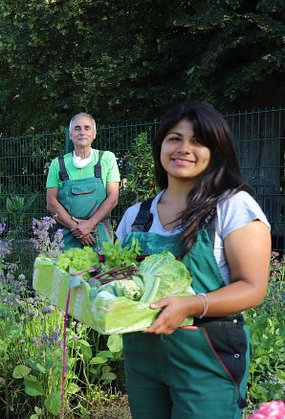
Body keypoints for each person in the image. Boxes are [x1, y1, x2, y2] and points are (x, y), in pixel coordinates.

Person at [115, 101, 271, 418]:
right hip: (142, 356)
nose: (184, 148)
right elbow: (119, 275)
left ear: (215, 150)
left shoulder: (233, 207)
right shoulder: (136, 216)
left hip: (207, 355)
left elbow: (253, 287)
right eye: (175, 138)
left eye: (198, 141)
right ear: (160, 144)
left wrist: (190, 305)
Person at [46, 113, 120, 249]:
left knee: (102, 269)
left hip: (100, 234)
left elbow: (113, 198)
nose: (82, 132)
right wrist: (76, 228)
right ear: (70, 135)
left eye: (87, 128)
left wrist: (90, 224)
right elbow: (51, 203)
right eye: (77, 128)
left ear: (94, 134)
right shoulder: (58, 164)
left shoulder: (107, 159)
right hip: (67, 235)